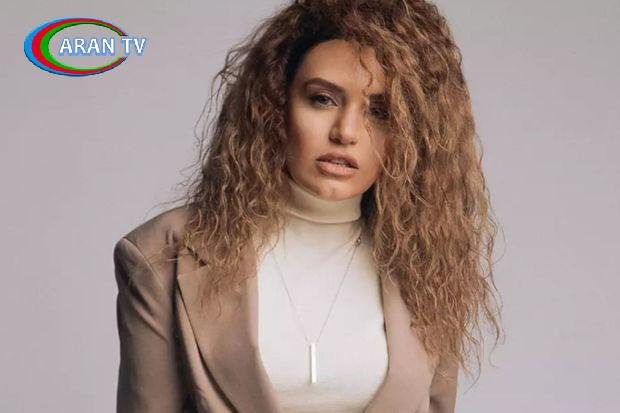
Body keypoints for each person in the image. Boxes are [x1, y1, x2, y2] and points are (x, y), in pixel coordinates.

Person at [112, 0, 504, 412]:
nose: (346, 132)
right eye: (322, 99)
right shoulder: (163, 254)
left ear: (413, 134)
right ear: (274, 106)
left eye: (380, 111)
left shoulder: (431, 259)